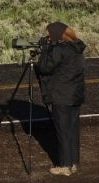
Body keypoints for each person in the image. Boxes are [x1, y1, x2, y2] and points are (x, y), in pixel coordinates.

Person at [37, 21, 87, 177]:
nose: (47, 37)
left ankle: (64, 166)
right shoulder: (77, 47)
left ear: (56, 34)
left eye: (49, 34)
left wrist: (45, 50)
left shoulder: (58, 50)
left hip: (61, 95)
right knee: (72, 129)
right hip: (75, 94)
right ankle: (73, 163)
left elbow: (44, 68)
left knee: (62, 131)